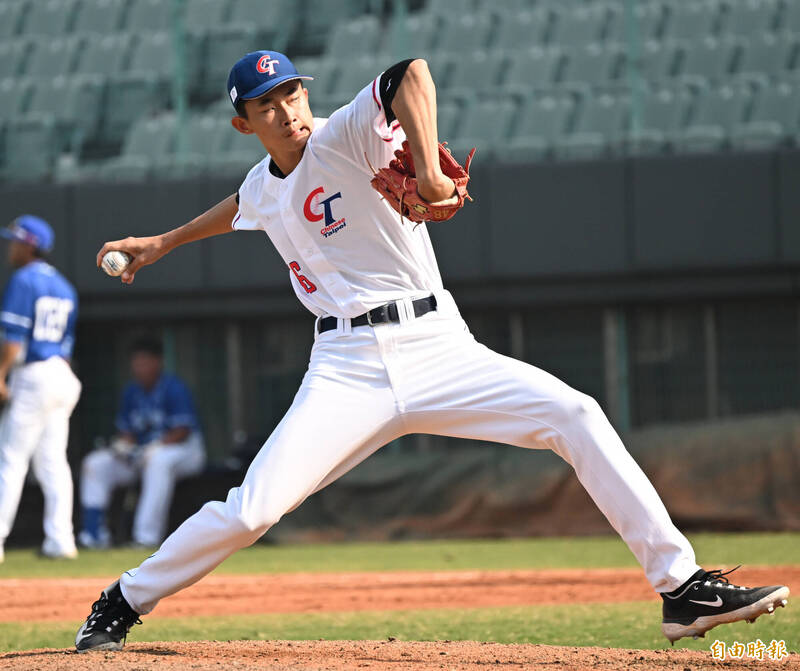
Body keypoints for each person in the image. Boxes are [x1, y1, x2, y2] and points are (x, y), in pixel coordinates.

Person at [75, 51, 789, 652]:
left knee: (575, 413)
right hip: (346, 369)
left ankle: (681, 586)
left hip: (438, 346)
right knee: (252, 511)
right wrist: (164, 242)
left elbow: (411, 73)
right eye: (267, 104)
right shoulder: (264, 185)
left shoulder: (344, 134)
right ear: (245, 124)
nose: (287, 110)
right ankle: (124, 598)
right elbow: (242, 204)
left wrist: (427, 165)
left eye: (292, 93)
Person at [0, 215, 81, 562]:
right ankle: (61, 540)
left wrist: (0, 374)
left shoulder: (24, 279)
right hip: (61, 374)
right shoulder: (64, 286)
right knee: (53, 463)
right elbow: (65, 347)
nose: (10, 247)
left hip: (34, 373)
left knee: (10, 459)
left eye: (15, 241)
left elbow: (14, 340)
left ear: (28, 245)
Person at [78, 336, 205, 549]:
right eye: (136, 362)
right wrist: (123, 446)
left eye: (145, 362)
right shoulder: (131, 391)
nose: (139, 367)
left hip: (183, 451)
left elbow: (182, 431)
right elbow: (127, 432)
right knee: (96, 463)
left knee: (157, 461)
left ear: (158, 362)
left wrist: (155, 446)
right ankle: (93, 535)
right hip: (143, 453)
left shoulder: (174, 388)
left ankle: (145, 537)